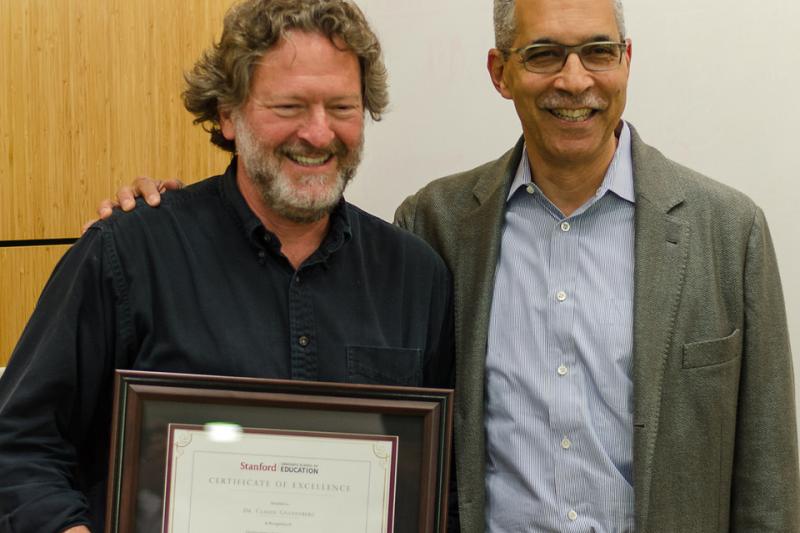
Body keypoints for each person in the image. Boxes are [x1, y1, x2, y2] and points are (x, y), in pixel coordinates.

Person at [95, 0, 800, 531]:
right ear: (501, 73)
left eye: (598, 51)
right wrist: (162, 219)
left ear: (627, 60)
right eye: (544, 54)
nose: (575, 79)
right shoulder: (435, 227)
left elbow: (768, 483)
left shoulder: (728, 230)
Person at [0, 1, 454, 532]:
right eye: (289, 106)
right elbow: (19, 447)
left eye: (342, 107)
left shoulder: (416, 277)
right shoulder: (129, 254)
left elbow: (442, 480)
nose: (318, 133)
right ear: (227, 115)